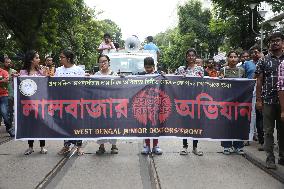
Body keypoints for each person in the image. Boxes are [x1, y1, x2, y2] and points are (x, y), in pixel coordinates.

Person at [255, 32, 284, 169]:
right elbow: (259, 80)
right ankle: (270, 158)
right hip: (268, 100)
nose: (275, 43)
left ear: (282, 43)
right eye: (272, 41)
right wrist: (259, 99)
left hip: (283, 101)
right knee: (268, 131)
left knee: (283, 130)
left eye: (278, 40)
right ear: (269, 44)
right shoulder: (263, 60)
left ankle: (282, 156)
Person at [56, 49, 85, 156]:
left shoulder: (78, 70)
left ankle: (79, 146)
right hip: (63, 103)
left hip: (77, 102)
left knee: (77, 124)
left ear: (68, 58)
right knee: (65, 124)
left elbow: (84, 86)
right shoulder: (58, 70)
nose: (60, 59)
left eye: (62, 57)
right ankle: (66, 146)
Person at [175, 48, 203, 156]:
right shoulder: (181, 69)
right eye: (189, 55)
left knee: (195, 124)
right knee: (185, 124)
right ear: (186, 57)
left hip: (196, 100)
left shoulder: (200, 69)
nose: (191, 57)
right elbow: (173, 79)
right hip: (184, 100)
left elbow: (202, 83)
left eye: (193, 55)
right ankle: (184, 147)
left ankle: (195, 147)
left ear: (195, 57)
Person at [19, 50, 48, 155]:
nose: (39, 60)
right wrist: (15, 78)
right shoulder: (22, 73)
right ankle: (30, 147)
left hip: (40, 102)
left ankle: (42, 147)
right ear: (31, 60)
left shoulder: (41, 72)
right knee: (30, 125)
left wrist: (46, 74)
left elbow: (46, 84)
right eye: (37, 58)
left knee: (41, 124)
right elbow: (19, 87)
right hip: (27, 104)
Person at [219, 50, 246, 155]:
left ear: (238, 59)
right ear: (228, 58)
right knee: (227, 124)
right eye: (231, 57)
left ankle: (238, 146)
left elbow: (246, 84)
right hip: (226, 101)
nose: (233, 59)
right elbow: (219, 86)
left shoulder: (242, 71)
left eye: (235, 57)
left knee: (239, 123)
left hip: (240, 102)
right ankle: (226, 146)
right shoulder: (223, 70)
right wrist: (220, 79)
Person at [93, 54, 119, 154]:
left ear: (108, 62)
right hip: (99, 105)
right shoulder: (96, 75)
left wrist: (122, 79)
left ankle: (114, 146)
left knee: (113, 125)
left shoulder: (114, 74)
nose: (103, 63)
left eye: (105, 61)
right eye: (101, 61)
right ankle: (101, 146)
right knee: (100, 126)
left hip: (112, 105)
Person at [140, 57, 163, 155]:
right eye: (146, 67)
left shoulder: (159, 74)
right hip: (145, 105)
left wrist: (164, 76)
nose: (148, 69)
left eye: (149, 67)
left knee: (156, 125)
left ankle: (155, 145)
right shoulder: (140, 75)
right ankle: (147, 145)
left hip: (156, 104)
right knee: (147, 126)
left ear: (153, 66)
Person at [2, 57, 17, 126]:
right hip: (2, 95)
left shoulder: (14, 71)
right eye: (7, 62)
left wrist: (17, 76)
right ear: (3, 63)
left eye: (9, 62)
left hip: (11, 94)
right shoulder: (1, 72)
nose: (8, 64)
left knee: (10, 111)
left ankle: (10, 126)